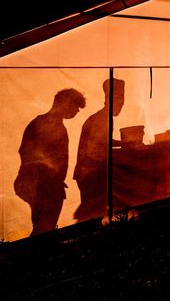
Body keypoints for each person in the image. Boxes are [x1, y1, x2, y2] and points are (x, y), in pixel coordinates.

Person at [14, 88, 86, 235]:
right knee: (44, 228)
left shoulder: (46, 123)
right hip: (43, 186)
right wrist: (50, 173)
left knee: (42, 225)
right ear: (64, 103)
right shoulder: (45, 124)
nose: (77, 111)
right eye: (75, 106)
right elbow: (28, 153)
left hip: (45, 185)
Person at [73, 78, 125, 221]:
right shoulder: (101, 118)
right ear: (110, 100)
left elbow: (104, 142)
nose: (121, 106)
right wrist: (124, 147)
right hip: (89, 172)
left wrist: (124, 144)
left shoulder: (104, 117)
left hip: (91, 172)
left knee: (96, 213)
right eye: (120, 102)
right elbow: (96, 147)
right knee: (92, 215)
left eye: (123, 102)